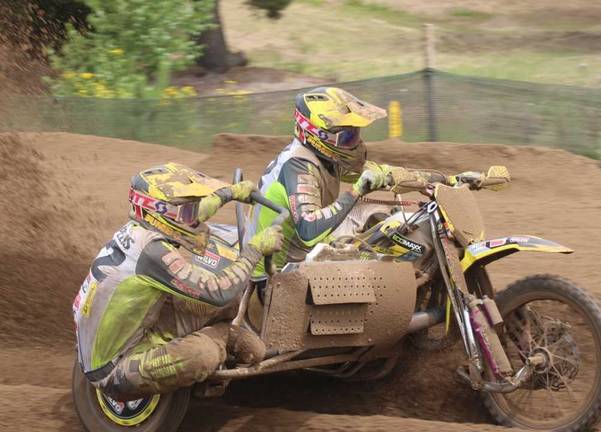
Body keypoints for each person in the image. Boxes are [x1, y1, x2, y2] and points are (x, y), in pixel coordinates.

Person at [73, 162, 283, 400]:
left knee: (227, 309)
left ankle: (220, 336)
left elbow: (189, 216)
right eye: (185, 210)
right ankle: (220, 339)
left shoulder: (144, 229)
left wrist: (231, 192)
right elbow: (219, 292)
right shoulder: (152, 252)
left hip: (135, 328)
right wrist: (255, 249)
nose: (192, 216)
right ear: (160, 212)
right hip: (113, 367)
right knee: (204, 354)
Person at [245, 86, 484, 275]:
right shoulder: (299, 167)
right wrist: (357, 190)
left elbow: (386, 173)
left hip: (304, 253)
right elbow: (309, 229)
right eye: (348, 135)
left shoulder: (322, 158)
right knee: (383, 262)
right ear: (318, 135)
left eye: (355, 134)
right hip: (279, 274)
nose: (355, 142)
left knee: (383, 217)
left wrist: (449, 179)